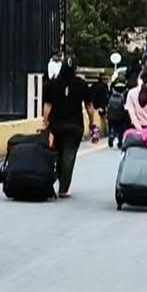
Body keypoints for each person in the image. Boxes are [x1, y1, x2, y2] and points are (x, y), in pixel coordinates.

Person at [41, 55, 88, 198]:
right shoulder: (81, 84)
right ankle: (64, 188)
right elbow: (90, 106)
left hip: (56, 125)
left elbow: (48, 105)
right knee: (69, 155)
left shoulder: (53, 83)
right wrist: (92, 123)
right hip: (75, 126)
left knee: (58, 154)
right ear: (75, 68)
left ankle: (56, 181)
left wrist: (44, 123)